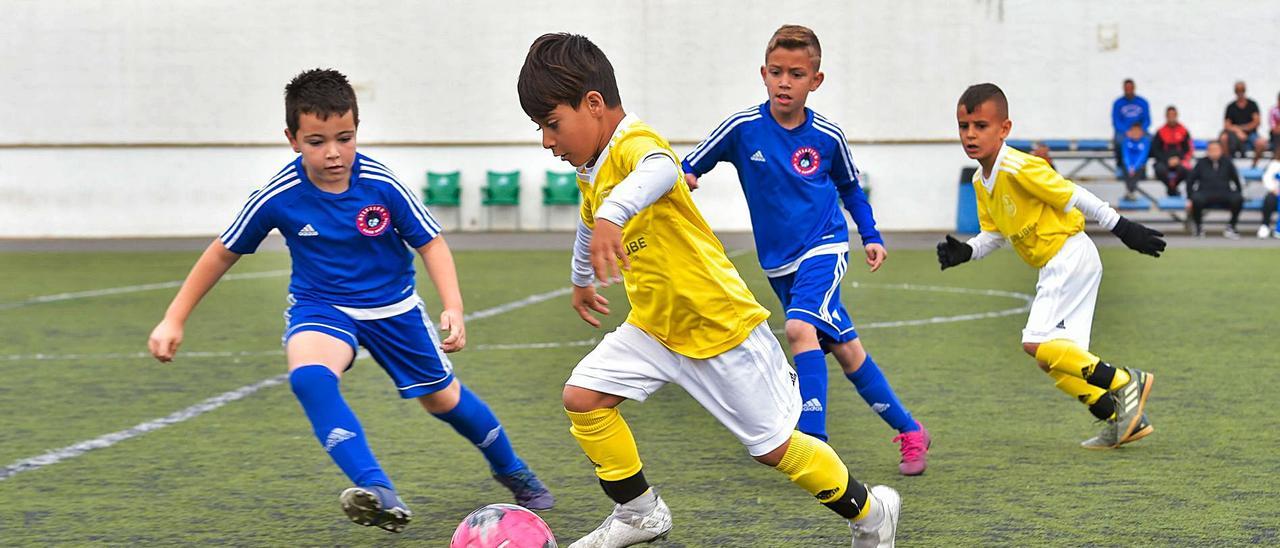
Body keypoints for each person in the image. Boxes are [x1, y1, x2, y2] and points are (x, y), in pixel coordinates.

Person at [516, 33, 900, 548]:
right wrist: (581, 278)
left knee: (777, 449)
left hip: (719, 326)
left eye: (551, 124)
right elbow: (591, 221)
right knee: (583, 398)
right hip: (655, 327)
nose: (546, 140)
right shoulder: (593, 168)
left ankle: (873, 515)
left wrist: (615, 212)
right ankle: (639, 512)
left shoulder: (635, 144)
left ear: (592, 104)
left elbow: (660, 170)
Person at [146, 69, 552, 534]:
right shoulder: (278, 196)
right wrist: (173, 318)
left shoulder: (380, 184)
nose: (334, 152)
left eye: (345, 137)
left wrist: (452, 306)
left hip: (394, 309)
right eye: (317, 141)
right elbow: (222, 252)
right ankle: (377, 490)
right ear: (292, 139)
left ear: (357, 130)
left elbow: (432, 243)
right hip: (321, 306)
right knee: (310, 379)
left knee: (443, 400)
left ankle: (512, 468)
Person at [681, 25, 930, 476]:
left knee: (798, 330)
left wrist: (870, 235)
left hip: (825, 247)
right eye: (776, 72)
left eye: (796, 74)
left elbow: (851, 190)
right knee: (847, 349)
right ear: (763, 74)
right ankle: (911, 430)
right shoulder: (742, 129)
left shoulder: (828, 137)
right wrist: (687, 179)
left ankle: (813, 438)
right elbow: (690, 164)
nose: (784, 81)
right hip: (778, 263)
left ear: (815, 80)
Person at [938, 83, 1164, 450]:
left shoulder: (1020, 166)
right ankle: (1119, 418)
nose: (971, 135)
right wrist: (966, 252)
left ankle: (1125, 382)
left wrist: (1123, 228)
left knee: (1035, 343)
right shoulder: (983, 180)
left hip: (1068, 255)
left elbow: (1073, 193)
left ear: (1004, 129)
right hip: (1058, 263)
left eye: (981, 125)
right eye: (964, 126)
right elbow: (994, 234)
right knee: (1054, 359)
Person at [1186, 141, 1244, 239]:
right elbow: (1190, 181)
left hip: (1224, 192)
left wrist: (1239, 192)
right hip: (1205, 193)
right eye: (1211, 150)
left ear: (1221, 151)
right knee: (1196, 199)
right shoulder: (1201, 162)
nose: (1214, 152)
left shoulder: (1227, 162)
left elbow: (1236, 179)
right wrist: (1190, 197)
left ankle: (1231, 227)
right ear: (1207, 151)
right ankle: (1199, 227)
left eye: (1216, 150)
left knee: (1238, 198)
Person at [1220, 81, 1266, 167]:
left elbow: (1257, 122)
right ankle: (1227, 165)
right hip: (1234, 135)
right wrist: (1238, 131)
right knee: (1223, 138)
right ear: (1235, 92)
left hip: (1251, 134)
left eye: (1242, 90)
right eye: (1238, 90)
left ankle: (1254, 166)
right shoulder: (1231, 107)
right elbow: (1227, 125)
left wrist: (1243, 129)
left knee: (1261, 143)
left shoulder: (1252, 105)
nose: (1240, 92)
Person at [1151, 105, 1193, 197]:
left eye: (1173, 115)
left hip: (1179, 161)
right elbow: (1156, 150)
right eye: (1169, 115)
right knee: (1159, 169)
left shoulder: (1183, 130)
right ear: (1166, 116)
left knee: (1187, 171)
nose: (1171, 117)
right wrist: (1167, 160)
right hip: (1164, 161)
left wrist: (1178, 159)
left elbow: (1188, 149)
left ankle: (1189, 197)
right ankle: (1172, 189)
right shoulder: (1160, 131)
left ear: (1177, 115)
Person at [1111, 79, 1150, 171]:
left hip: (1139, 131)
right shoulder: (1118, 103)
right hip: (1124, 132)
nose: (1128, 90)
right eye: (1126, 88)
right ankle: (1121, 166)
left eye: (1130, 88)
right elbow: (1116, 121)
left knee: (1149, 140)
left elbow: (1147, 120)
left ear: (1134, 88)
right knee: (1119, 141)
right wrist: (1127, 131)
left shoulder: (1142, 102)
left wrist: (1140, 130)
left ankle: (1142, 167)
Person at [1120, 122, 1151, 200]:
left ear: (1142, 132)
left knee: (1139, 169)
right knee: (1124, 167)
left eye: (1138, 131)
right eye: (1134, 131)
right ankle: (1131, 192)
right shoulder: (1126, 141)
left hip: (1139, 167)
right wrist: (1129, 167)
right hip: (1128, 167)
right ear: (1130, 132)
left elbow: (1143, 157)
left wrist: (1134, 167)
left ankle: (1130, 191)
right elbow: (1125, 155)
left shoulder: (1145, 141)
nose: (1135, 133)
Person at [1260, 159, 1280, 239]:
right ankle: (1265, 225)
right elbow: (1266, 178)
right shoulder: (1274, 164)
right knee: (1269, 200)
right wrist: (1273, 189)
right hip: (1275, 193)